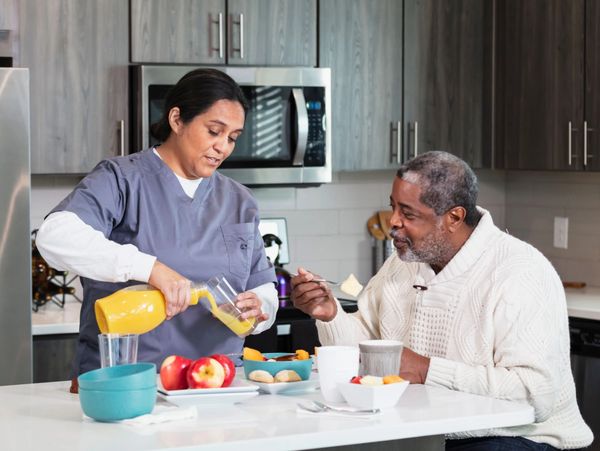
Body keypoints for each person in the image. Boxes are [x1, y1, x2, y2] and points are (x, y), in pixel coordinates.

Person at [291, 151, 593, 450]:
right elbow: (366, 351)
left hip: (517, 437)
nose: (393, 222)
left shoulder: (520, 272)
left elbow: (535, 395)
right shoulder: (403, 263)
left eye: (408, 214)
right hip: (423, 434)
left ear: (454, 217)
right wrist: (330, 315)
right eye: (393, 207)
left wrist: (425, 370)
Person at [36, 68, 278, 382]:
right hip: (127, 385)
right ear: (177, 120)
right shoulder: (122, 179)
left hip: (216, 386)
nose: (224, 147)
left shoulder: (239, 201)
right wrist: (150, 269)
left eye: (232, 138)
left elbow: (264, 289)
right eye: (214, 131)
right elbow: (55, 236)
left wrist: (260, 310)